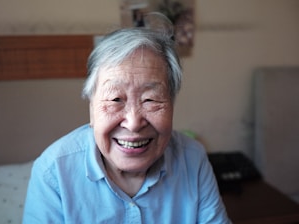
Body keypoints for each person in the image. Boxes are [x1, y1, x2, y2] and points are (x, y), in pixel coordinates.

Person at [23, 13, 230, 224]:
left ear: (172, 105)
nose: (133, 123)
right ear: (92, 108)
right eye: (115, 99)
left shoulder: (192, 159)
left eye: (150, 99)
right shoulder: (53, 171)